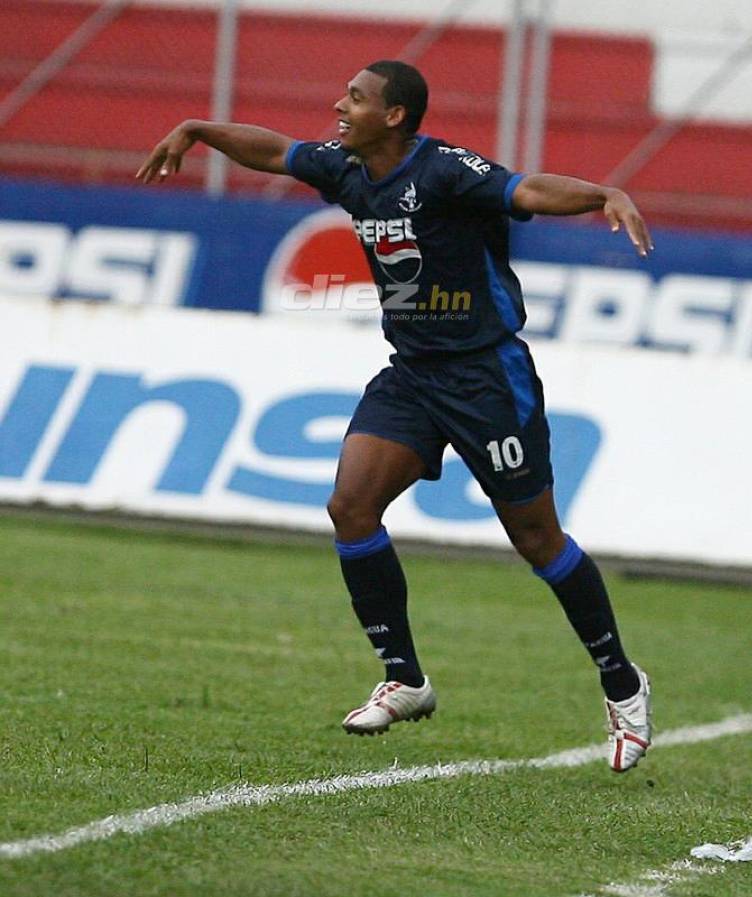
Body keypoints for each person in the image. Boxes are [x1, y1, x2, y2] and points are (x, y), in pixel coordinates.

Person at [137, 60, 654, 773]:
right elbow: (275, 151)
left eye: (355, 98)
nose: (339, 105)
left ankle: (622, 682)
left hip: (486, 377)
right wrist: (198, 129)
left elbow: (525, 189)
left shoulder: (444, 170)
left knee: (537, 539)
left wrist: (602, 193)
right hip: (413, 374)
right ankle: (405, 678)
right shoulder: (346, 168)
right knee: (351, 506)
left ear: (394, 116)